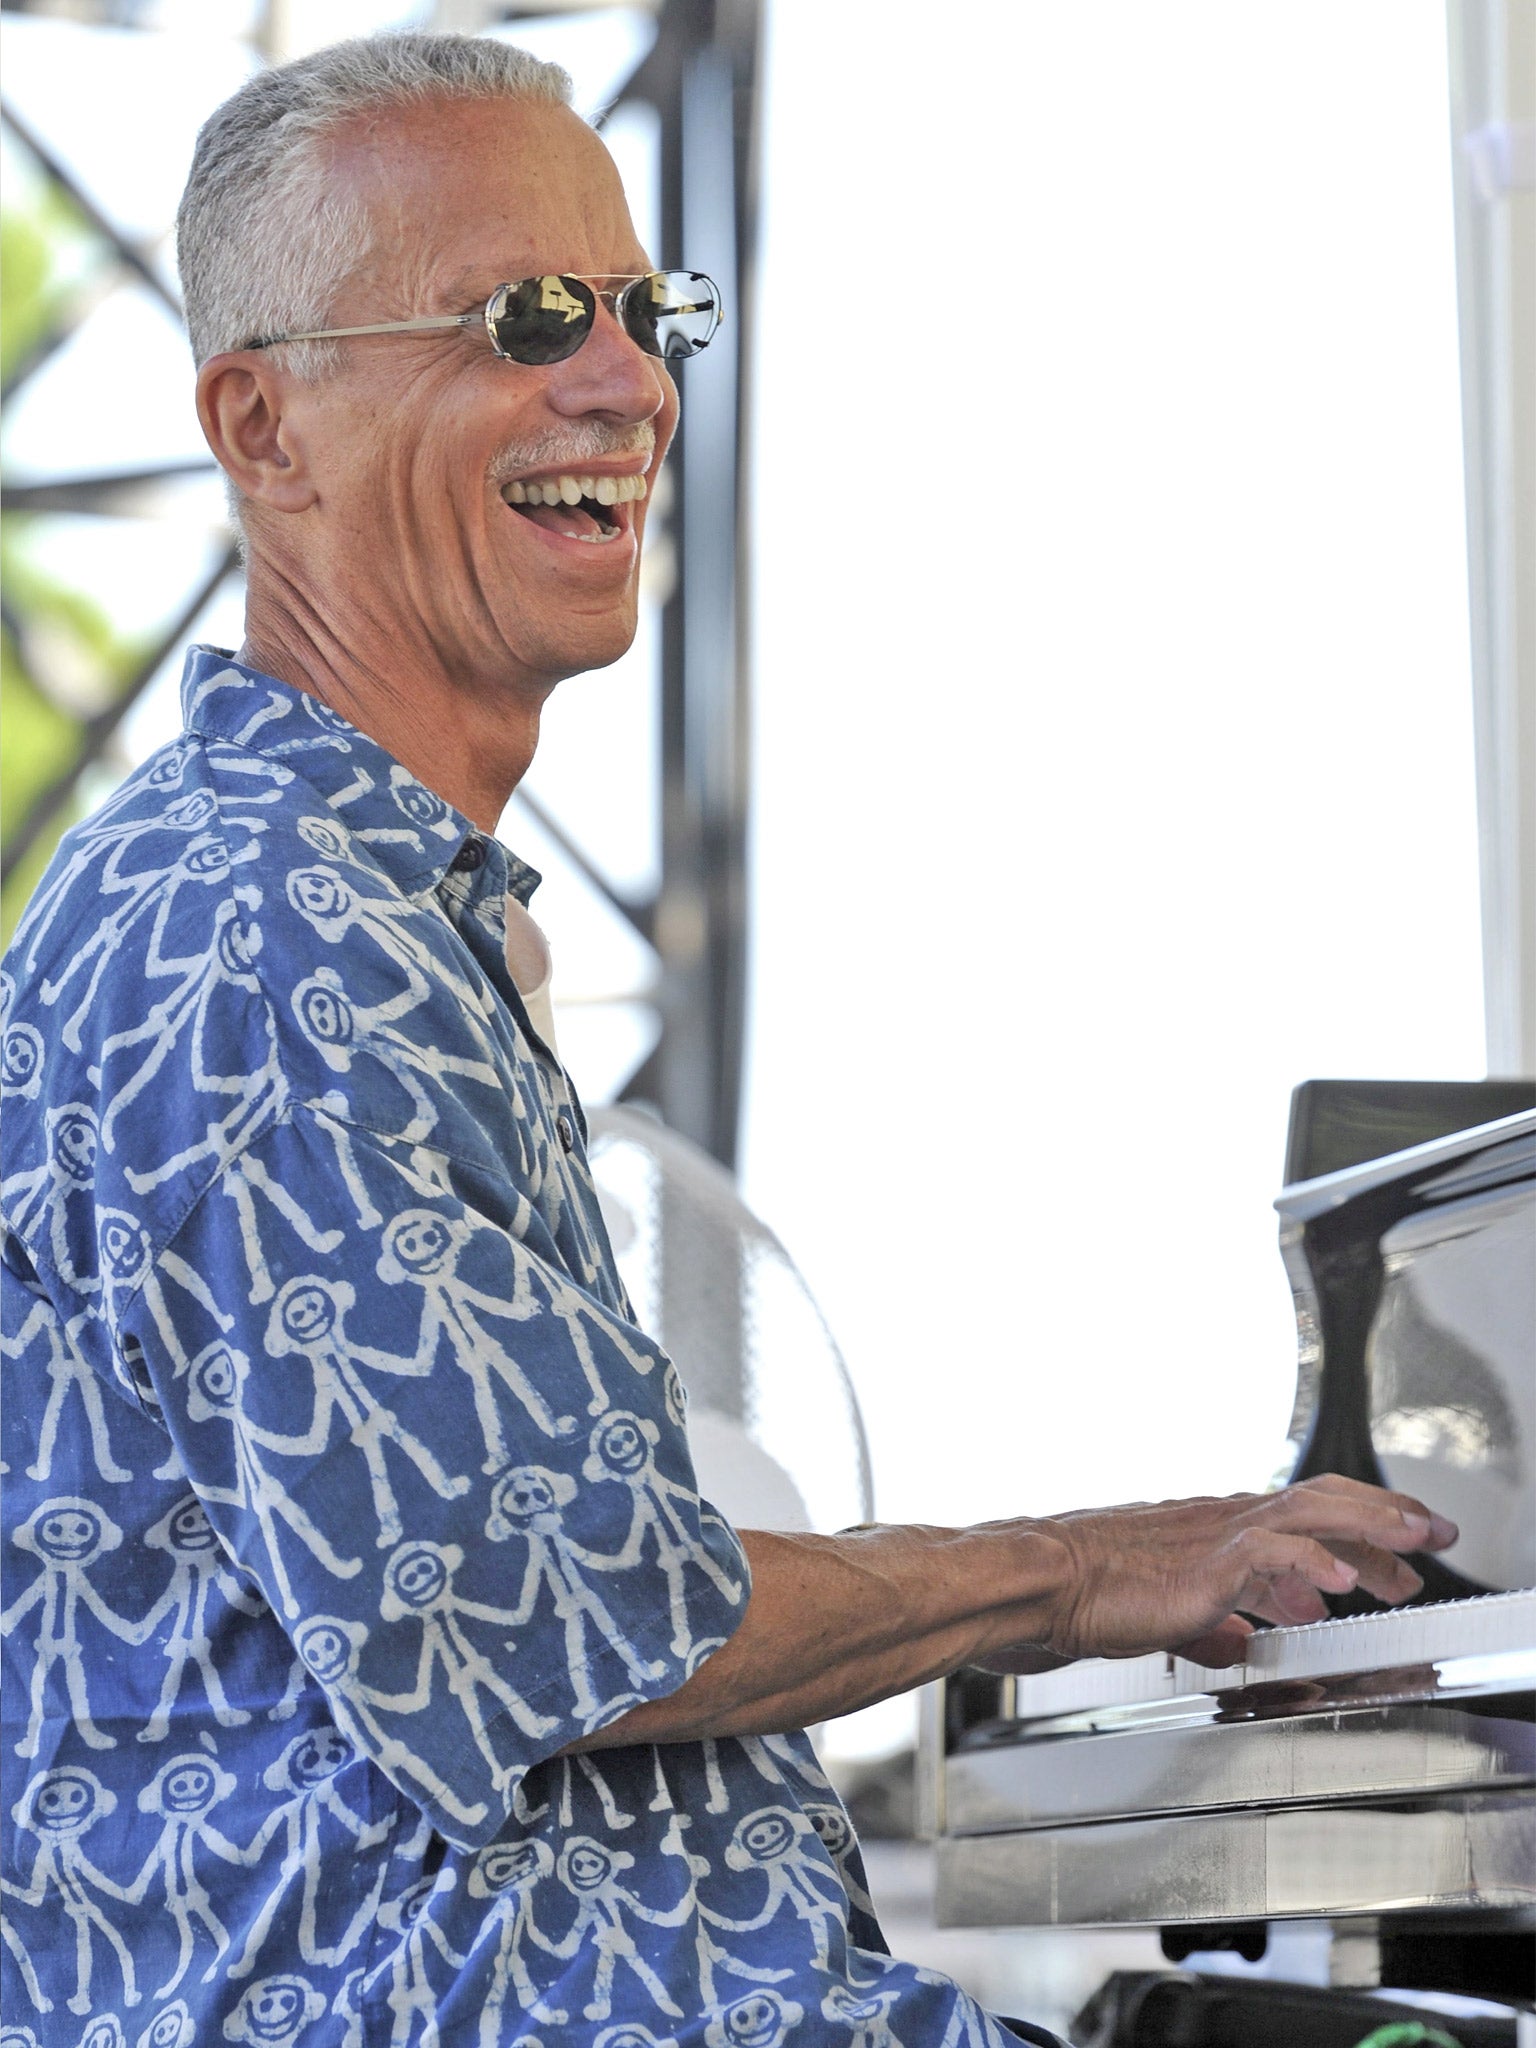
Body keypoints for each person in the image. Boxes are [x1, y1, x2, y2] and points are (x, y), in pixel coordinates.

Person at [0, 33, 1456, 2047]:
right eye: (522, 318)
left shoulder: (317, 893)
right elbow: (554, 1618)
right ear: (264, 427)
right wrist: (1095, 1567)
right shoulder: (268, 926)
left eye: (637, 309)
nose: (624, 381)